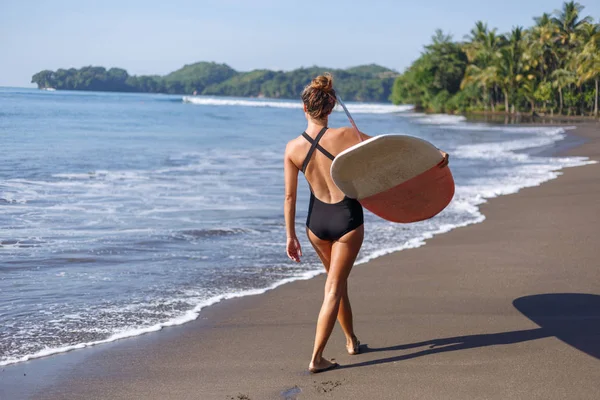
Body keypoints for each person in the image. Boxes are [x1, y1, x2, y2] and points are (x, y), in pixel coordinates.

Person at [283, 74, 448, 373]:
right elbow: (391, 154)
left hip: (315, 225)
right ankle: (316, 358)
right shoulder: (346, 135)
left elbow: (289, 198)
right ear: (330, 107)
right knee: (334, 289)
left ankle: (350, 341)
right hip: (346, 220)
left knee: (337, 284)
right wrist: (433, 156)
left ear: (304, 108)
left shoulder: (292, 148)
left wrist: (290, 237)